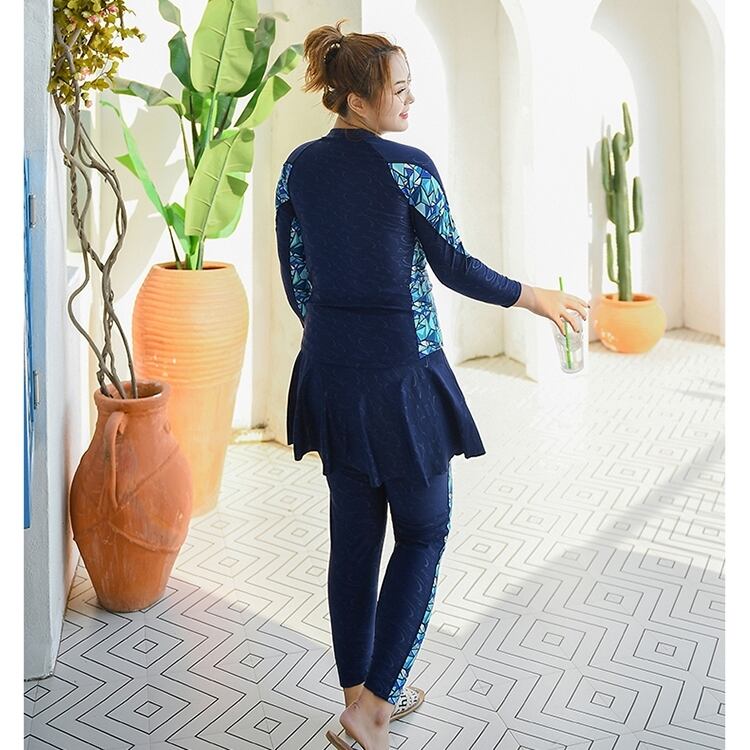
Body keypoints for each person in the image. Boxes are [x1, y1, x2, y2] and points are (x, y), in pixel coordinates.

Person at [274, 20, 590, 750]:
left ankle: (357, 695)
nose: (410, 100)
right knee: (423, 530)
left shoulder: (297, 169)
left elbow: (297, 278)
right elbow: (453, 265)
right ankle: (373, 711)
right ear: (356, 100)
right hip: (403, 380)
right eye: (399, 90)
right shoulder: (407, 167)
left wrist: (338, 340)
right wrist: (535, 298)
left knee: (354, 540)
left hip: (330, 376)